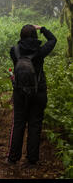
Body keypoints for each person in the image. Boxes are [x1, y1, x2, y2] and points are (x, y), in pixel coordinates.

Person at [7, 24, 57, 167]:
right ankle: (32, 160)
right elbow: (53, 40)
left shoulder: (14, 51)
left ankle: (12, 158)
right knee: (35, 125)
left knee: (18, 124)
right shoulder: (40, 52)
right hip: (38, 92)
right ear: (35, 36)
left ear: (21, 36)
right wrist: (42, 28)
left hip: (19, 92)